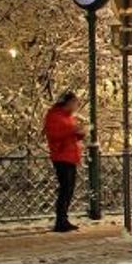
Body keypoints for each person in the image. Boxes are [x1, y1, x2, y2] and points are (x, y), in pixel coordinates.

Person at [43, 91, 86, 233]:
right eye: (74, 102)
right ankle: (60, 221)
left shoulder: (68, 118)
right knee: (65, 189)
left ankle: (63, 219)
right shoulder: (55, 116)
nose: (76, 106)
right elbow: (54, 134)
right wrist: (72, 131)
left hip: (70, 155)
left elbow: (68, 135)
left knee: (68, 189)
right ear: (67, 103)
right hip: (62, 156)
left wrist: (78, 134)